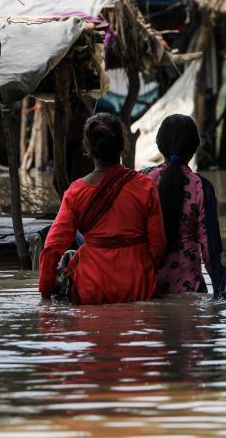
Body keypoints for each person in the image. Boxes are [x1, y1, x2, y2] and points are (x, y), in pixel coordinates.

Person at [39, 112, 166, 304]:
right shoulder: (144, 186)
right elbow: (158, 245)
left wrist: (45, 294)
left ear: (88, 148)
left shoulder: (75, 192)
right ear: (123, 145)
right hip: (137, 283)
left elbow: (51, 249)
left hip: (92, 285)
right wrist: (143, 268)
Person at [145, 114, 226, 299]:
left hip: (145, 289)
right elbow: (211, 248)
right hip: (188, 292)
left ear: (159, 145)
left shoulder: (142, 181)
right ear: (195, 148)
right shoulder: (201, 187)